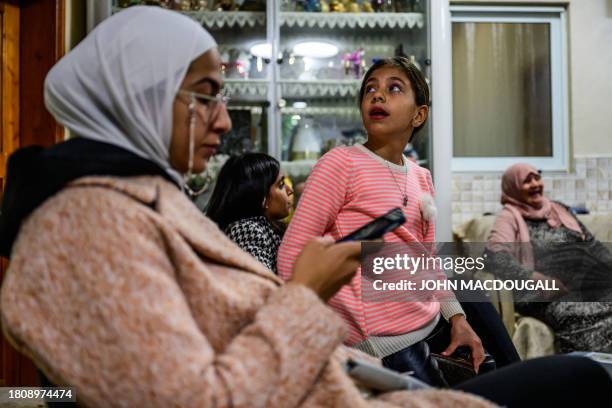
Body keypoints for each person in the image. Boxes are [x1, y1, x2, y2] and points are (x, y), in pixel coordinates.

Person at [0, 8, 610, 407]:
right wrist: (311, 300)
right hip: (350, 377)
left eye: (395, 90)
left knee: (579, 369)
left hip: (357, 378)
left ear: (419, 116)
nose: (223, 121)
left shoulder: (150, 200)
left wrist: (441, 324)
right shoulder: (83, 226)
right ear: (141, 95)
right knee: (581, 379)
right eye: (207, 96)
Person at [278, 57, 499, 384]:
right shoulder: (341, 164)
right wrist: (337, 335)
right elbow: (291, 257)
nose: (377, 96)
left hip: (429, 322)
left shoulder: (421, 176)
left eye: (393, 88)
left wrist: (457, 317)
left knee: (493, 370)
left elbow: (429, 259)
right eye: (370, 89)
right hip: (381, 342)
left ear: (418, 114)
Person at [486, 163, 612, 353]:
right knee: (585, 313)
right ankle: (587, 372)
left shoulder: (559, 209)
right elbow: (494, 256)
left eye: (537, 178)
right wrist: (538, 280)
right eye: (527, 181)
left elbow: (593, 246)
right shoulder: (509, 217)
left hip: (586, 286)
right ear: (513, 187)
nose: (535, 184)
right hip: (548, 295)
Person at [207, 153, 293, 273]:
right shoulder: (248, 231)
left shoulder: (266, 229)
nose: (290, 191)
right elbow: (262, 286)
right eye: (281, 185)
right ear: (263, 197)